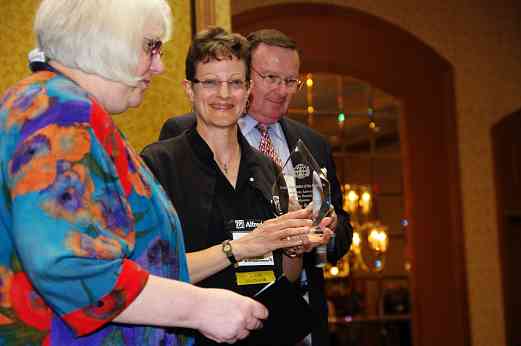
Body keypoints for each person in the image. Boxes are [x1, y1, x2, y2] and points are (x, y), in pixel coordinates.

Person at [0, 1, 269, 345]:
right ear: (107, 41)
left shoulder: (59, 105)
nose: (159, 66)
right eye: (150, 46)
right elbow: (74, 268)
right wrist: (200, 307)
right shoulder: (58, 113)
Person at [159, 29, 353, 346]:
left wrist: (306, 238)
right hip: (204, 317)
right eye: (271, 77)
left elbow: (334, 233)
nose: (281, 90)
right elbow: (160, 258)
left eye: (290, 81)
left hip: (288, 318)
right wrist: (244, 246)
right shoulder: (177, 144)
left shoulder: (305, 147)